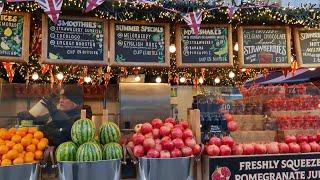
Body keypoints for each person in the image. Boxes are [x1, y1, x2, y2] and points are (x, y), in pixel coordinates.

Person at [17, 85, 90, 147]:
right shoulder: (58, 113)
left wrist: (54, 111)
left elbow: (68, 128)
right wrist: (30, 117)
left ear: (75, 102)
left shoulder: (81, 118)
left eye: (65, 98)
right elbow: (41, 121)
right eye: (61, 98)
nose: (61, 100)